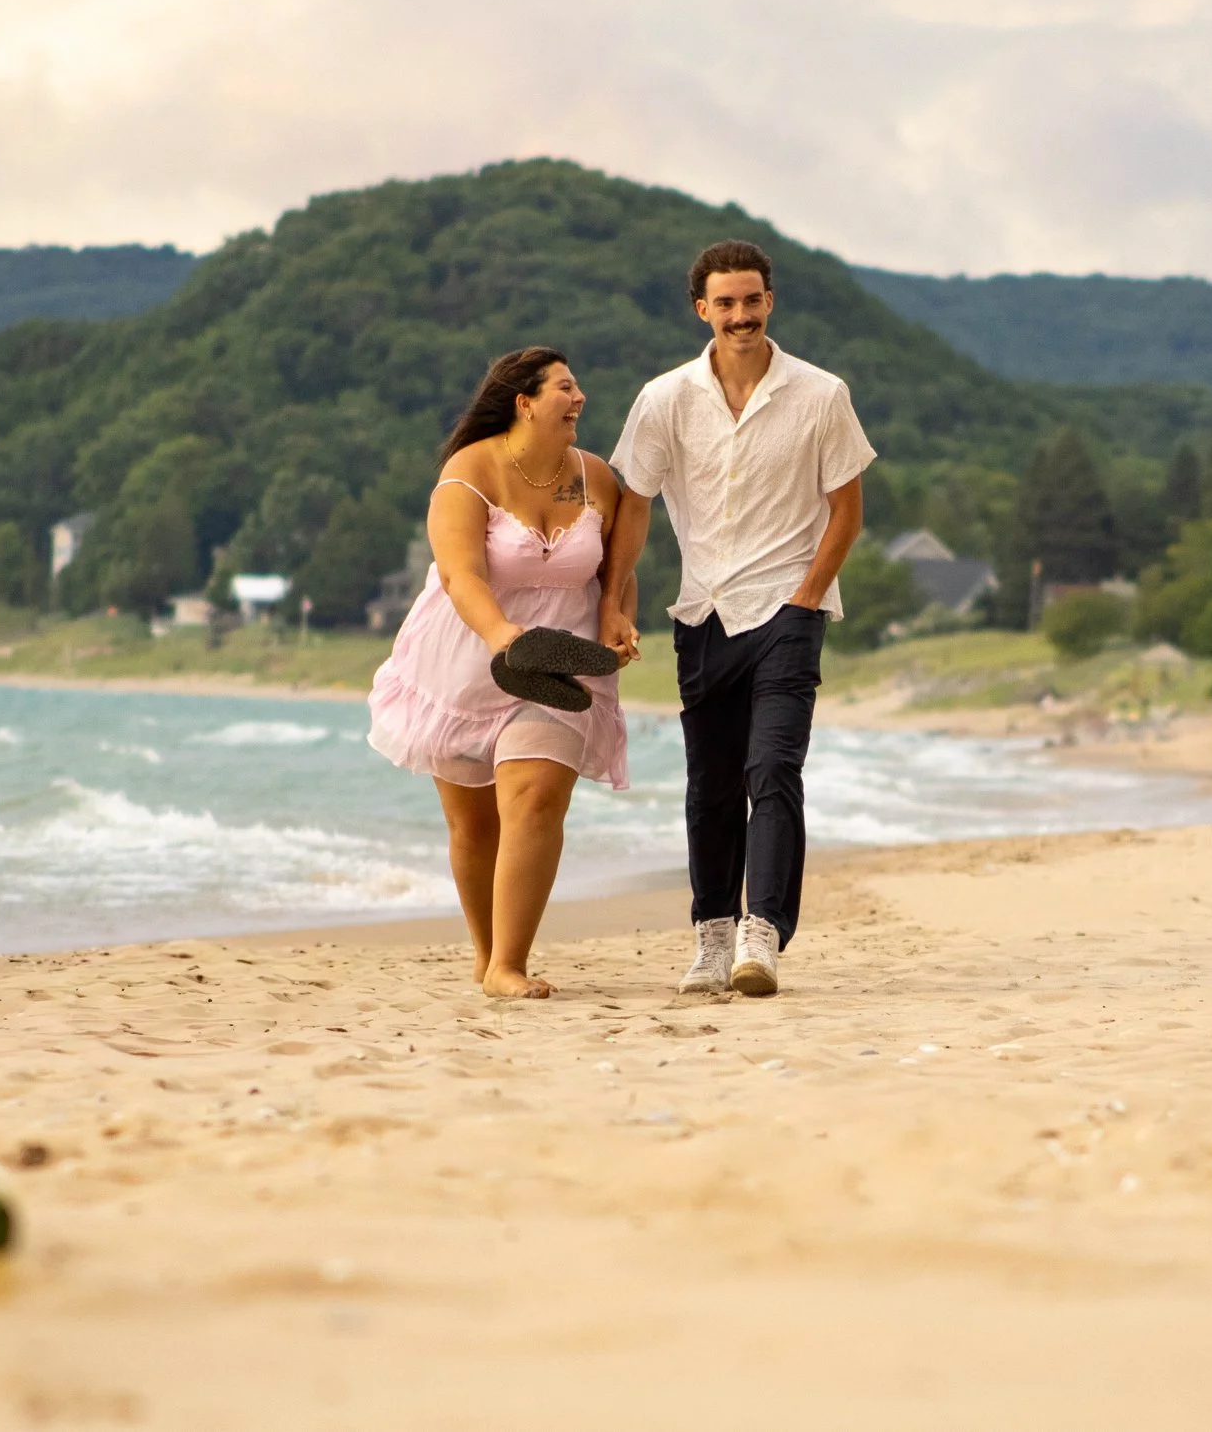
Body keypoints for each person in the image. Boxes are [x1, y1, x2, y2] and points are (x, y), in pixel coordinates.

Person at [608, 240, 875, 997]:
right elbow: (635, 502)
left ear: (770, 302)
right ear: (702, 309)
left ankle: (764, 933)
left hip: (789, 610)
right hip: (703, 614)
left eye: (751, 300)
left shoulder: (822, 394)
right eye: (725, 303)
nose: (740, 315)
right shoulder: (664, 398)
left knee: (773, 769)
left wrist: (807, 594)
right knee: (711, 786)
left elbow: (846, 510)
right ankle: (712, 937)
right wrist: (612, 599)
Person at [366, 347, 643, 999]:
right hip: (465, 658)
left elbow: (618, 571)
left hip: (557, 662)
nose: (579, 399)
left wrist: (617, 617)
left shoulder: (595, 478)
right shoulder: (471, 470)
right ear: (524, 400)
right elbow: (460, 573)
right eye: (565, 388)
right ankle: (486, 955)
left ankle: (509, 964)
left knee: (536, 795)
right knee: (473, 825)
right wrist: (503, 639)